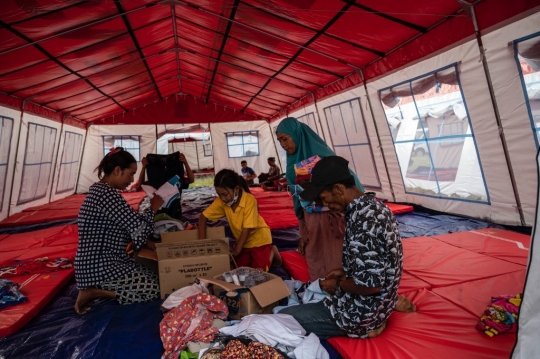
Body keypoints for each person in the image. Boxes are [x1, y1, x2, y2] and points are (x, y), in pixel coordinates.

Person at [280, 156, 415, 339]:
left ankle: (367, 327)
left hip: (359, 315)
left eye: (324, 198)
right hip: (376, 305)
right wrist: (345, 272)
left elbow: (371, 285)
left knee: (281, 319)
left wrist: (338, 286)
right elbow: (376, 264)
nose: (324, 205)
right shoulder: (373, 207)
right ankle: (377, 317)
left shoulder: (363, 220)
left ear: (338, 189)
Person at [74, 147, 164, 314]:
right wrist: (153, 208)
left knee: (152, 275)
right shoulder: (107, 196)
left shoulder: (100, 191)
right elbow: (138, 228)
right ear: (117, 170)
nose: (131, 180)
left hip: (100, 262)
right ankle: (94, 291)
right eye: (130, 174)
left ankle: (94, 288)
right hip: (101, 265)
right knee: (154, 289)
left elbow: (129, 223)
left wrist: (146, 240)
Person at [275, 117, 365, 281]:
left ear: (297, 135)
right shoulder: (291, 164)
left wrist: (360, 209)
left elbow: (349, 182)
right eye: (279, 140)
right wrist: (302, 232)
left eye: (285, 139)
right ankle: (320, 292)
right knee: (314, 255)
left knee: (336, 256)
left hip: (334, 217)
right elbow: (297, 199)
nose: (283, 144)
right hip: (311, 220)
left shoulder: (325, 158)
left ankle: (341, 290)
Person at [198, 169, 281, 270]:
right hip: (243, 241)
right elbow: (203, 218)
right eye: (219, 195)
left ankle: (272, 251)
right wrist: (202, 247)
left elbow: (247, 228)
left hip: (259, 239)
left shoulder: (249, 200)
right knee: (239, 270)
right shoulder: (222, 201)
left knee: (259, 273)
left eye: (225, 194)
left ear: (236, 189)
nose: (222, 198)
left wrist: (237, 251)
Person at [135, 152, 194, 219]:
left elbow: (191, 180)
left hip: (174, 213)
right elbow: (140, 184)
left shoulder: (176, 181)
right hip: (158, 213)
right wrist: (144, 167)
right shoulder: (156, 181)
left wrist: (185, 163)